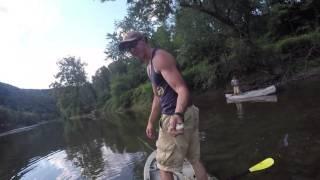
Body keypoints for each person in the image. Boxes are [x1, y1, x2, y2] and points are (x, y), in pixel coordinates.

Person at [119, 31, 208, 180]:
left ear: (144, 40)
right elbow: (157, 96)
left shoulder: (159, 58)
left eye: (134, 44)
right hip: (187, 113)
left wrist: (177, 114)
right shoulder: (149, 67)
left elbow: (182, 89)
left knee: (164, 167)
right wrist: (150, 121)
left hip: (175, 117)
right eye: (128, 48)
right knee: (194, 160)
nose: (132, 50)